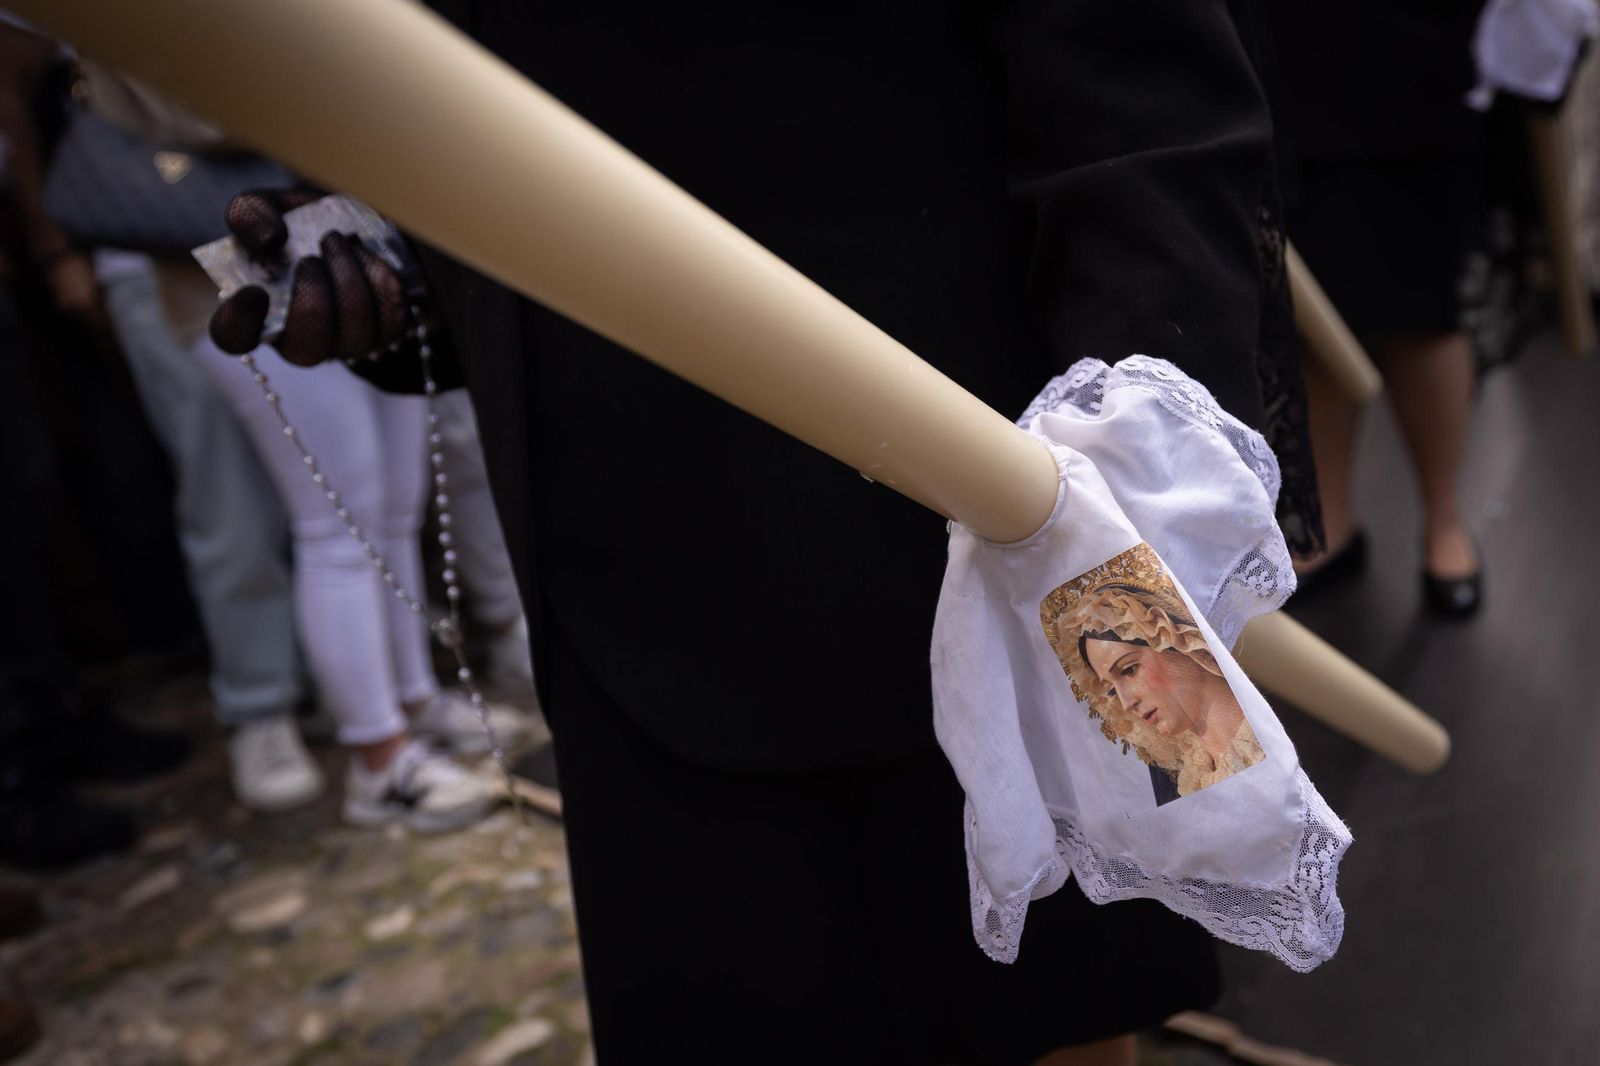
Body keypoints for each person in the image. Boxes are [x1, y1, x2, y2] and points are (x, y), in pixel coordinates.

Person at [205, 1, 1320, 1060]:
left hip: (991, 525)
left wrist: (1138, 479)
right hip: (630, 576)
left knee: (1049, 1003)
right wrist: (403, 259)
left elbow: (1133, 90)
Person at [1268, 1, 1488, 616]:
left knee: (1425, 311)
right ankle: (1330, 517)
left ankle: (1445, 518)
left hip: (1407, 52)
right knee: (1321, 317)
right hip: (1294, 54)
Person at [1046, 564, 1265, 800]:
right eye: (1111, 691)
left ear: (1180, 641)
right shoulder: (1192, 781)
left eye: (1129, 670)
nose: (1126, 703)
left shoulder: (1265, 735)